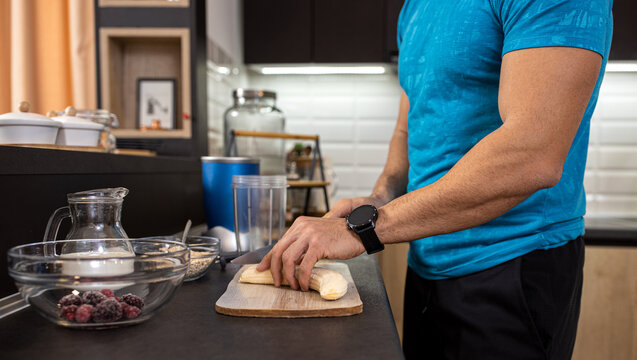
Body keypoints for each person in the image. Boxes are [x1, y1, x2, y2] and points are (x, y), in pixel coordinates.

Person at [258, 0, 613, 358]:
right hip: (427, 263)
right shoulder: (416, 7)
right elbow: (411, 123)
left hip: (512, 265)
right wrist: (381, 198)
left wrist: (366, 229)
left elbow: (532, 153)